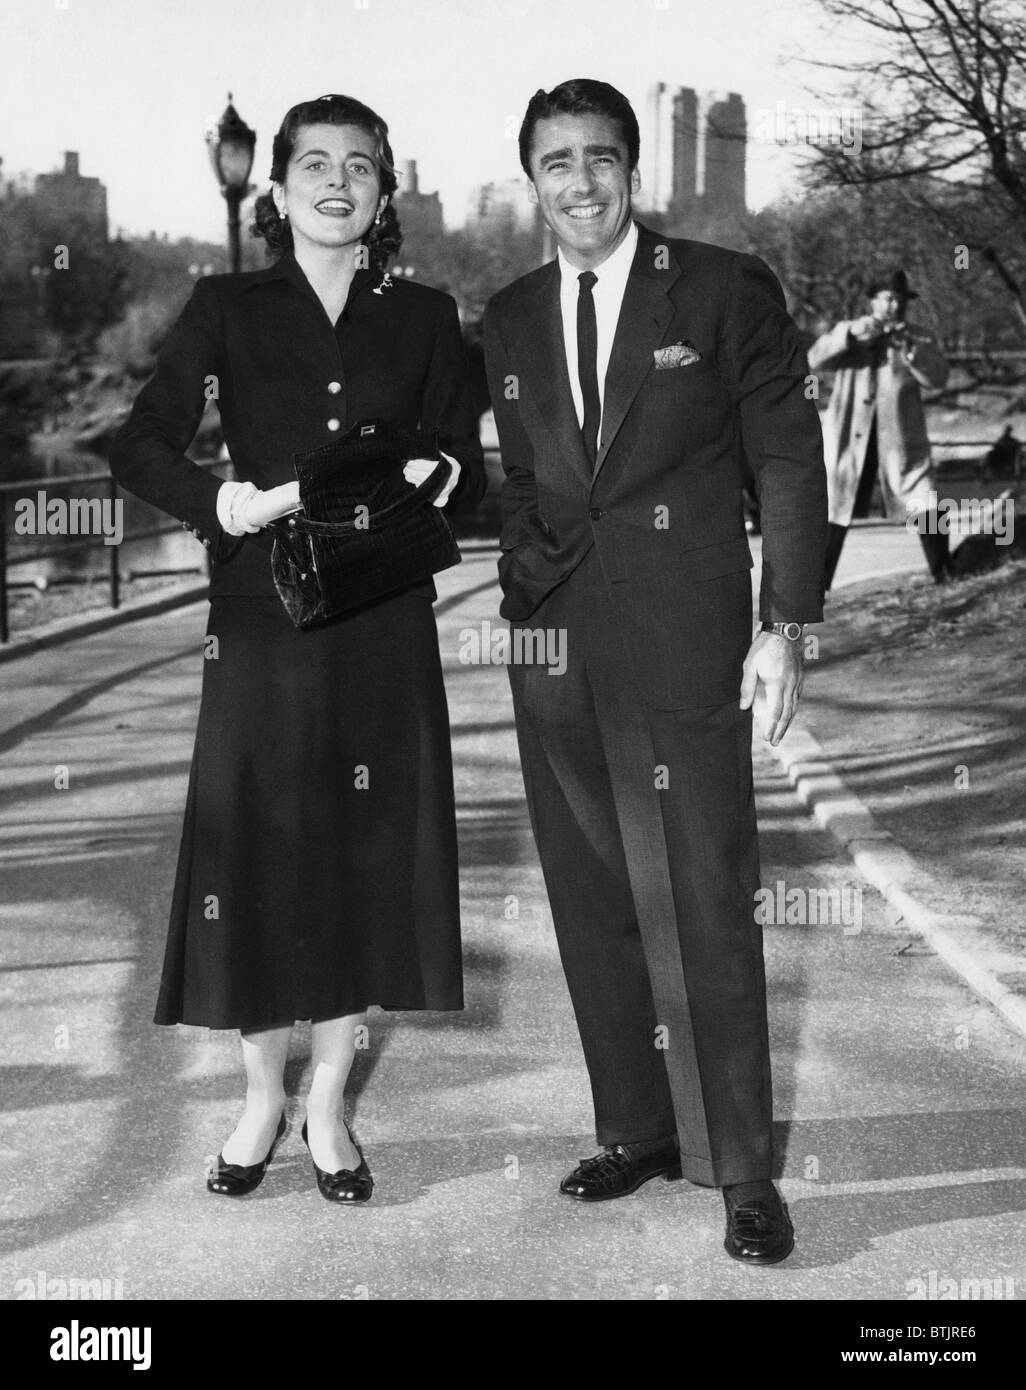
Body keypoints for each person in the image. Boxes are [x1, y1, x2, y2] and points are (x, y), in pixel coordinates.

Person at [109, 93, 484, 1203]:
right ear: (275, 190)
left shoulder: (423, 317)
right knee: (257, 861)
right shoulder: (223, 307)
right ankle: (259, 1097)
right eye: (313, 165)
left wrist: (438, 473)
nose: (336, 182)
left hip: (380, 624)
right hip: (261, 627)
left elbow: (465, 457)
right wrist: (217, 501)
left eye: (360, 168)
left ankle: (327, 1105)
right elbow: (138, 443)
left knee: (363, 855)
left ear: (382, 196)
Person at [483, 79, 827, 1265]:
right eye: (554, 162)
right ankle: (635, 1127)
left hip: (688, 640)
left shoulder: (723, 290)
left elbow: (788, 459)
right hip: (555, 648)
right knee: (592, 895)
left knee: (704, 896)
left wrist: (787, 624)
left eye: (598, 158)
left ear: (635, 169)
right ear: (530, 178)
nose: (578, 182)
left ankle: (739, 1167)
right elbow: (522, 474)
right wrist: (525, 571)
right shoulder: (511, 314)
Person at [808, 269, 951, 587]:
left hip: (899, 441)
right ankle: (816, 586)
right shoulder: (849, 330)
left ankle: (944, 574)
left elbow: (939, 379)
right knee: (835, 505)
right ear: (873, 301)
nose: (895, 307)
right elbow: (814, 359)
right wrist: (850, 336)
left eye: (901, 300)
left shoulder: (920, 336)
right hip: (850, 440)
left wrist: (913, 353)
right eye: (888, 299)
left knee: (924, 499)